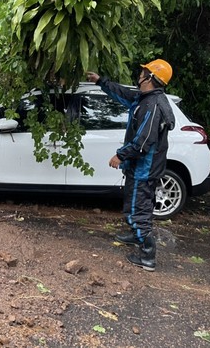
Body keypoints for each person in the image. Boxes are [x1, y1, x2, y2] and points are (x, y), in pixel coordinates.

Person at [86, 60, 175, 272]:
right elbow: (124, 94)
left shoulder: (152, 106)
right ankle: (136, 236)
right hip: (140, 167)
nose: (139, 74)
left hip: (144, 168)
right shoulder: (145, 99)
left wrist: (120, 155)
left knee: (138, 210)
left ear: (150, 79)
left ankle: (147, 256)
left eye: (143, 72)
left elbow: (144, 142)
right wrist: (101, 81)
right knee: (134, 204)